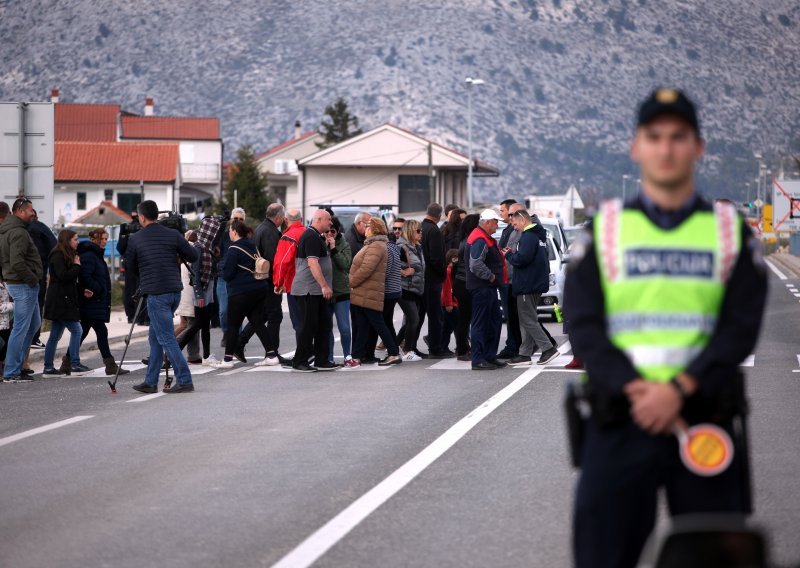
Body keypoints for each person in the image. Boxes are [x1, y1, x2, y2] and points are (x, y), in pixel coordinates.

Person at [566, 89, 768, 568]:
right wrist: (640, 390)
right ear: (636, 146)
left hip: (702, 422)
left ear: (698, 147)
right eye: (654, 137)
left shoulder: (729, 232)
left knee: (713, 559)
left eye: (678, 137)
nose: (666, 149)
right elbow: (584, 325)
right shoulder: (605, 229)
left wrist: (677, 390)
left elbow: (739, 329)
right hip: (620, 421)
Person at [126, 200, 199, 394]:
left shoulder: (136, 239)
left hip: (156, 293)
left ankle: (184, 379)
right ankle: (150, 381)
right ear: (157, 215)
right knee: (155, 337)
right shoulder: (173, 235)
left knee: (166, 337)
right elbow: (193, 256)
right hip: (175, 291)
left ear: (141, 217)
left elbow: (130, 268)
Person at [215, 219, 275, 368]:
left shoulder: (234, 249)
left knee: (233, 324)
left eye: (230, 230)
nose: (229, 232)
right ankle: (271, 354)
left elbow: (228, 274)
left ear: (235, 232)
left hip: (240, 292)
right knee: (257, 322)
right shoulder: (252, 245)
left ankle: (227, 359)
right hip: (259, 288)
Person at [504, 209, 559, 366]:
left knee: (527, 319)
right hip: (535, 283)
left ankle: (548, 348)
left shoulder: (528, 237)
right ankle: (525, 353)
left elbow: (522, 260)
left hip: (527, 284)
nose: (514, 227)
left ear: (522, 220)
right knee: (527, 318)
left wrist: (508, 255)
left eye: (515, 224)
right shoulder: (538, 236)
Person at [0, 198, 43, 382]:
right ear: (20, 211)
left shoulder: (10, 230)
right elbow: (17, 262)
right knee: (20, 328)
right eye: (30, 210)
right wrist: (32, 279)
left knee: (33, 325)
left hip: (20, 283)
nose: (33, 213)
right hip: (23, 285)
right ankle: (11, 371)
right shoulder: (18, 233)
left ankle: (17, 367)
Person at [349, 218, 402, 367]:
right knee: (363, 325)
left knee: (379, 324)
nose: (365, 229)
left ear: (374, 229)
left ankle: (393, 353)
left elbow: (367, 269)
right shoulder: (373, 244)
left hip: (368, 291)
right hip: (364, 291)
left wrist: (351, 283)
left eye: (368, 226)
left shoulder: (376, 246)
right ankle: (357, 356)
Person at [77, 228, 129, 376]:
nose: (105, 241)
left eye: (106, 238)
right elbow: (85, 276)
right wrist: (99, 289)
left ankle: (68, 361)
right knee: (100, 331)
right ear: (94, 239)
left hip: (95, 301)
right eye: (103, 239)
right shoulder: (89, 255)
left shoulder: (95, 255)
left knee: (83, 331)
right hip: (91, 300)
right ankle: (110, 365)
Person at [291, 209, 337, 372]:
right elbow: (312, 263)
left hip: (316, 291)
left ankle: (321, 360)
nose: (331, 223)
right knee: (308, 326)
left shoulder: (317, 237)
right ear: (318, 219)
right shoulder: (310, 236)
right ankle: (300, 361)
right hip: (308, 290)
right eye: (328, 220)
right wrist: (324, 285)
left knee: (324, 325)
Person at [41, 230, 92, 376]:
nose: (78, 242)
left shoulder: (66, 254)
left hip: (63, 299)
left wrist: (81, 290)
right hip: (60, 301)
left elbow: (68, 280)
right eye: (75, 239)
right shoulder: (57, 255)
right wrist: (77, 266)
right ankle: (74, 364)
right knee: (77, 330)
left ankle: (49, 368)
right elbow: (63, 276)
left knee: (55, 334)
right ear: (67, 240)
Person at [239, 203, 285, 365]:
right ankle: (272, 352)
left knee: (262, 316)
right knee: (275, 316)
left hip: (259, 280)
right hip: (269, 281)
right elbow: (273, 260)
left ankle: (240, 341)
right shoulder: (271, 232)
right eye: (283, 217)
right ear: (278, 217)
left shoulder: (260, 228)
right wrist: (278, 281)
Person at [465, 209, 508, 371]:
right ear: (488, 222)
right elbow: (475, 264)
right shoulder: (479, 238)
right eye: (496, 222)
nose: (497, 225)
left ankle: (489, 356)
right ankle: (478, 359)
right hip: (482, 287)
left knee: (493, 322)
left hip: (486, 287)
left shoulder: (482, 237)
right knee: (481, 323)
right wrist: (490, 276)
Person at [176, 216, 221, 366]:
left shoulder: (206, 248)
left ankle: (207, 356)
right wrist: (200, 295)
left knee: (203, 325)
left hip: (205, 292)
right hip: (200, 293)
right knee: (196, 325)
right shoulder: (198, 248)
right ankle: (173, 351)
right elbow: (194, 274)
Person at [418, 203, 450, 357]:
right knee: (435, 316)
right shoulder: (434, 231)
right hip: (432, 279)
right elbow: (436, 258)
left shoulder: (420, 228)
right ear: (439, 216)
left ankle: (410, 346)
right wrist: (443, 273)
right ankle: (435, 348)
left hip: (420, 278)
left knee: (419, 316)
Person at [215, 207, 246, 346]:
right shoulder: (224, 235)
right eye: (235, 219)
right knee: (223, 311)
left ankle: (237, 339)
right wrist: (222, 224)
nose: (238, 221)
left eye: (241, 219)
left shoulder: (247, 236)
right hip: (223, 276)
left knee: (238, 310)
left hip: (240, 277)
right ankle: (227, 333)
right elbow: (214, 245)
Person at [326, 217, 354, 366]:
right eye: (327, 231)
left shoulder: (344, 245)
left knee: (344, 326)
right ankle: (329, 357)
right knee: (327, 327)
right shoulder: (319, 243)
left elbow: (345, 264)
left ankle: (347, 355)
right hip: (325, 291)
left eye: (333, 231)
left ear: (338, 231)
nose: (330, 234)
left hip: (341, 290)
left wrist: (333, 249)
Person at [396, 219, 426, 361]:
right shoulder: (402, 247)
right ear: (410, 231)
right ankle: (407, 350)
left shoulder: (416, 246)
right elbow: (394, 264)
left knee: (410, 320)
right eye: (418, 231)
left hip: (416, 288)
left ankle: (393, 346)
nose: (421, 233)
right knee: (414, 319)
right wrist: (405, 271)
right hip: (404, 288)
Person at [27, 209, 57, 349]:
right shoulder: (40, 227)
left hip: (19, 275)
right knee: (37, 304)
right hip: (39, 272)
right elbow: (54, 246)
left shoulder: (19, 229)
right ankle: (34, 337)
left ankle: (29, 337)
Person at [273, 209, 304, 331]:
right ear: (300, 219)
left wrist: (278, 283)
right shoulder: (308, 233)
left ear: (286, 220)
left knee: (298, 322)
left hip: (294, 285)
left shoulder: (288, 237)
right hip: (312, 285)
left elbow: (282, 263)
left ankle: (303, 349)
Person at [453, 214, 479, 361]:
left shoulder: (465, 239)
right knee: (465, 319)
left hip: (461, 282)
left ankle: (462, 348)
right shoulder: (470, 241)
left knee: (464, 318)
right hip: (464, 283)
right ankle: (462, 349)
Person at [496, 198, 519, 360]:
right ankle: (514, 344)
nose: (501, 214)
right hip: (506, 278)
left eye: (503, 211)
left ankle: (513, 346)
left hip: (511, 278)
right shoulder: (507, 230)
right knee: (514, 316)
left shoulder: (516, 230)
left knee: (516, 316)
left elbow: (509, 251)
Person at [117, 211, 146, 325]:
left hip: (129, 265)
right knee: (143, 291)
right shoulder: (146, 228)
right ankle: (142, 317)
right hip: (143, 265)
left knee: (130, 290)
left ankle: (131, 316)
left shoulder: (127, 228)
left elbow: (120, 248)